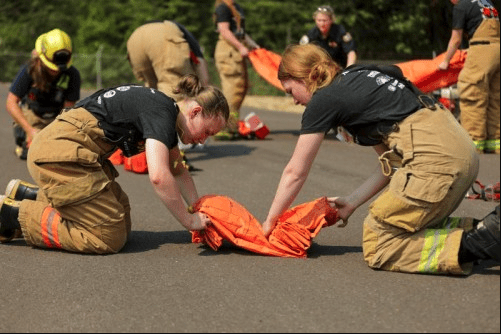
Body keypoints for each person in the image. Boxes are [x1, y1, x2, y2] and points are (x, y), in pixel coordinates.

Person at [261, 43, 500, 275]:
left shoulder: (324, 99)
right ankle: (488, 232)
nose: (293, 100)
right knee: (409, 225)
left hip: (435, 161)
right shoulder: (358, 76)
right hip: (459, 150)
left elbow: (296, 172)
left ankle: (478, 244)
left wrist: (269, 224)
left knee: (381, 242)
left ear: (305, 77)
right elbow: (390, 165)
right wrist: (352, 202)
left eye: (290, 90)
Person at [0, 74, 230, 254]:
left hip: (70, 151)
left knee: (121, 214)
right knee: (108, 235)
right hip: (60, 152)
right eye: (207, 131)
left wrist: (200, 210)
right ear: (196, 111)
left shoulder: (164, 110)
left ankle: (28, 195)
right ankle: (12, 215)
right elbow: (160, 176)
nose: (203, 140)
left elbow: (179, 171)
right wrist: (189, 220)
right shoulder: (162, 113)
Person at [6, 28, 81, 160]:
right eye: (52, 65)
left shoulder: (72, 75)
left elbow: (68, 109)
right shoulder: (30, 69)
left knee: (64, 153)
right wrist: (30, 130)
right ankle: (22, 136)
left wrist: (59, 133)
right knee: (32, 153)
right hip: (33, 115)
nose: (55, 70)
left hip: (57, 117)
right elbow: (11, 102)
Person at [438, 0, 500, 154]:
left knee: (471, 92)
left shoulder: (462, 6)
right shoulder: (486, 2)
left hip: (482, 50)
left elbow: (456, 39)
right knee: (494, 98)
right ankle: (495, 143)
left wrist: (445, 61)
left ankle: (474, 144)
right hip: (496, 51)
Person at [213, 0, 259, 140]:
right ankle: (223, 128)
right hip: (229, 51)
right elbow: (224, 30)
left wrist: (254, 46)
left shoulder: (236, 7)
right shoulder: (223, 8)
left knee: (240, 89)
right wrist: (240, 47)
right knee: (232, 90)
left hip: (236, 50)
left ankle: (231, 126)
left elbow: (241, 33)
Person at [127, 20, 211, 97]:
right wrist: (204, 90)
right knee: (174, 84)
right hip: (160, 35)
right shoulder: (190, 40)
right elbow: (200, 63)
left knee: (151, 87)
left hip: (134, 38)